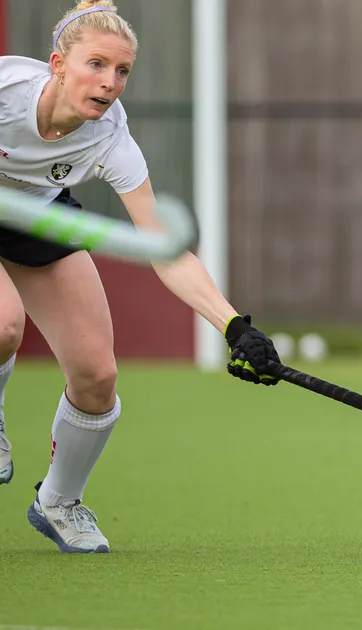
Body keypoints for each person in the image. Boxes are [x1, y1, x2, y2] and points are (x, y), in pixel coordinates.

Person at [0, 0, 280, 554]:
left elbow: (165, 248)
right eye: (96, 65)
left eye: (122, 71)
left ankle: (59, 502)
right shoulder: (6, 91)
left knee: (98, 377)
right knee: (4, 325)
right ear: (58, 63)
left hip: (41, 213)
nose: (110, 83)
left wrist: (233, 326)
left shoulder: (109, 139)